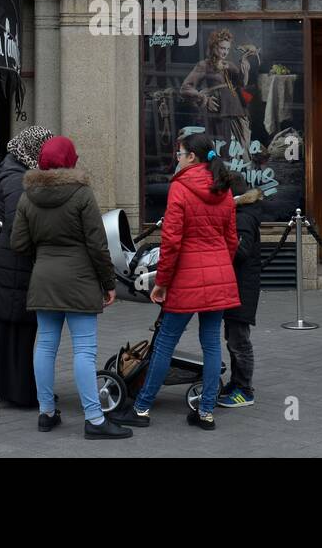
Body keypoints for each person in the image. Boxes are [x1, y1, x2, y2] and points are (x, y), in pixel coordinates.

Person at [113, 132, 241, 431]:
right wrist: (220, 265)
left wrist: (162, 282)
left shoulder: (180, 189)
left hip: (186, 277)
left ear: (192, 157)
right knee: (211, 344)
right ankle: (206, 411)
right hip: (219, 275)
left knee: (165, 343)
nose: (177, 159)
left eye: (180, 154)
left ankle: (142, 408)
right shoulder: (222, 189)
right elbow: (231, 240)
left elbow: (171, 243)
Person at [9, 136, 131, 440]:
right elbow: (97, 244)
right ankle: (94, 418)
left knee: (46, 345)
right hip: (79, 280)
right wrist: (109, 283)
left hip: (44, 279)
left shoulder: (28, 197)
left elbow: (18, 244)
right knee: (85, 351)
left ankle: (46, 412)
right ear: (70, 161)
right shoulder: (82, 194)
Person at [0, 124, 54, 408]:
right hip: (16, 262)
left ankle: (14, 387)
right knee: (16, 327)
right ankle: (19, 390)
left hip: (14, 261)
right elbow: (17, 226)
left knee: (15, 327)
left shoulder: (18, 172)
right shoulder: (16, 178)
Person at [180, 29, 259, 172]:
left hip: (236, 110)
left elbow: (241, 84)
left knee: (241, 147)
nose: (225, 52)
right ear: (213, 47)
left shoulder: (230, 65)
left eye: (227, 49)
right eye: (222, 48)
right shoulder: (204, 65)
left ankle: (240, 180)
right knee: (223, 149)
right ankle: (223, 179)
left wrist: (244, 65)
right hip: (218, 112)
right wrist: (204, 98)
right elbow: (185, 88)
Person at [218, 174, 262, 408]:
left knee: (239, 341)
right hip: (237, 286)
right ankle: (236, 382)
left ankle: (245, 389)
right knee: (233, 338)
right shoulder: (242, 214)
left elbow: (241, 251)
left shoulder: (242, 218)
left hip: (241, 288)